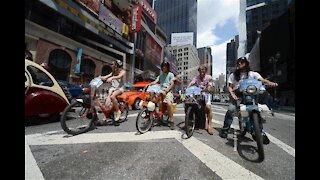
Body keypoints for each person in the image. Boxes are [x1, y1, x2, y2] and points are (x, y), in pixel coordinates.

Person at [219, 57, 277, 144]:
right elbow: (230, 87)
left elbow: (262, 80)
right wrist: (233, 94)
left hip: (252, 94)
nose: (239, 64)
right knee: (231, 110)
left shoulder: (253, 74)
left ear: (246, 63)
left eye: (241, 62)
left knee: (261, 107)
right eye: (238, 62)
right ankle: (225, 130)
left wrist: (270, 83)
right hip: (238, 94)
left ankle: (259, 131)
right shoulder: (233, 75)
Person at [187, 64, 214, 135]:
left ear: (205, 70)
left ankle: (209, 125)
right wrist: (187, 89)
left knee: (208, 108)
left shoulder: (209, 77)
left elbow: (210, 86)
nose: (201, 71)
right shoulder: (196, 78)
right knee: (190, 104)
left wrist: (208, 88)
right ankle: (188, 122)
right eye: (200, 69)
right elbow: (191, 83)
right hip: (197, 94)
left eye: (203, 69)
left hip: (206, 93)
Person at [148, 61, 175, 130]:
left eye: (165, 66)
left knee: (168, 104)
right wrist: (149, 84)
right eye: (163, 66)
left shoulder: (170, 74)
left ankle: (171, 120)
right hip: (161, 90)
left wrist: (167, 89)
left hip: (167, 91)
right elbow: (155, 81)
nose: (164, 67)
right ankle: (153, 117)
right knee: (152, 101)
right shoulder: (160, 76)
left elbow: (172, 84)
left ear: (167, 67)